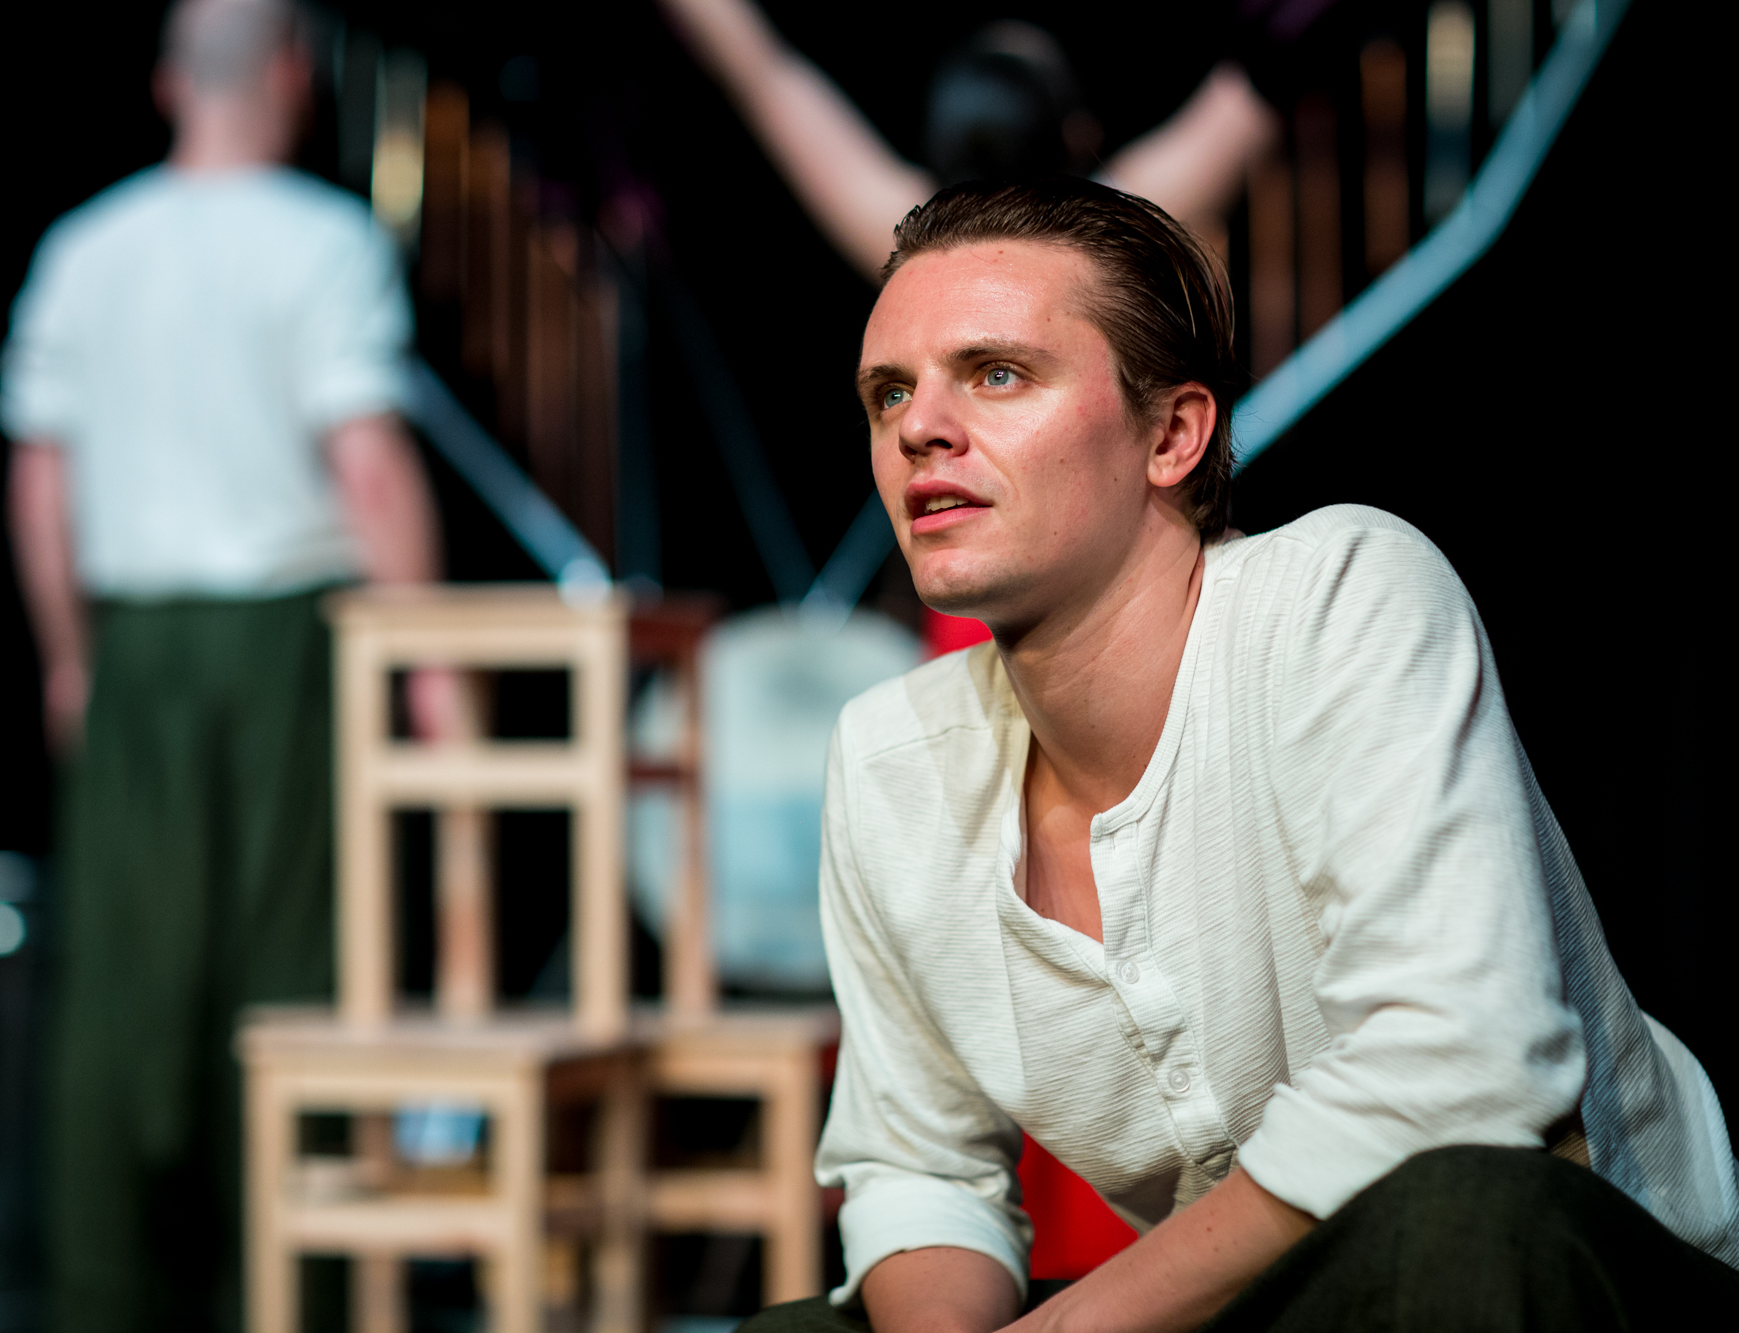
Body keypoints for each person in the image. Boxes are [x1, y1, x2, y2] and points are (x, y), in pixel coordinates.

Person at [750, 177, 1738, 1333]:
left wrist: (1067, 1330)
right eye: (888, 391)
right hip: (1249, 1295)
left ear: (1171, 434)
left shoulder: (1336, 597)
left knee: (1459, 1218)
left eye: (996, 373)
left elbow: (1460, 1066)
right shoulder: (889, 758)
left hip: (1558, 1272)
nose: (918, 425)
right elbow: (916, 1167)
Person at [0, 1, 449, 1327]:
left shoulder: (84, 248)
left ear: (166, 83)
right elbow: (367, 466)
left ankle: (109, 1292)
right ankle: (291, 1289)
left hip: (135, 644)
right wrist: (431, 672)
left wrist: (69, 659)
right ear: (295, 75)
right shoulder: (325, 239)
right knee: (292, 972)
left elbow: (41, 482)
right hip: (283, 649)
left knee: (126, 981)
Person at [656, 0, 1318, 277]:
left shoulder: (905, 239)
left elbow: (765, 75)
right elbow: (1260, 77)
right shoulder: (1117, 225)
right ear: (1081, 134)